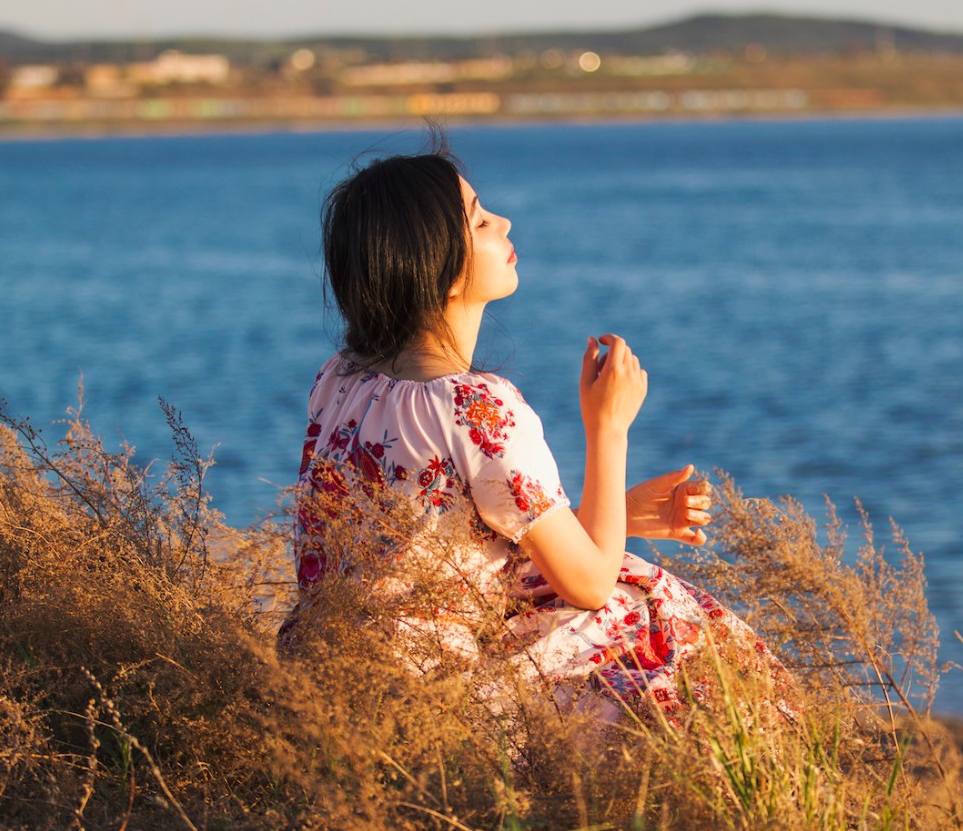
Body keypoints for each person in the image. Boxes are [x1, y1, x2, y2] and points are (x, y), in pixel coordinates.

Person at [281, 136, 787, 723]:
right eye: (480, 220)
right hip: (433, 702)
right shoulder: (476, 405)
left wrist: (619, 514)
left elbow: (438, 543)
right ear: (439, 268)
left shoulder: (340, 380)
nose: (504, 221)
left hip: (334, 678)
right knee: (647, 604)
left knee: (607, 580)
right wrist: (608, 428)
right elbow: (590, 586)